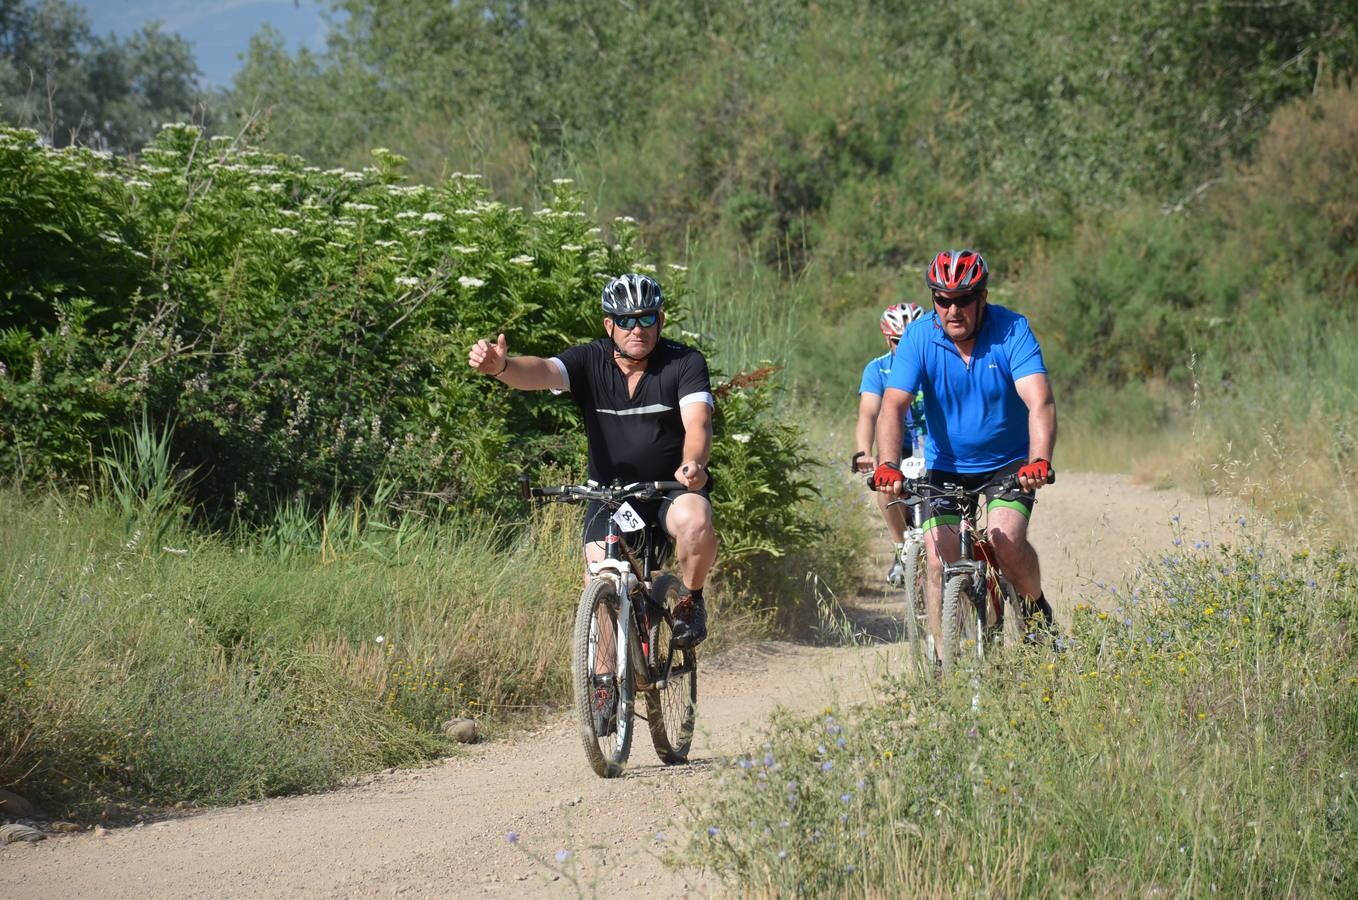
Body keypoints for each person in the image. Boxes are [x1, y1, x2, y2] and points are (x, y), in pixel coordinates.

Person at [466, 273, 717, 655]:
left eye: (647, 319)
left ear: (661, 321)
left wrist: (693, 464)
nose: (638, 329)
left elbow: (697, 423)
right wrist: (502, 367)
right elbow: (542, 371)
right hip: (610, 495)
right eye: (627, 320)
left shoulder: (684, 362)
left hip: (670, 489)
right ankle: (602, 687)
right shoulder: (589, 359)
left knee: (696, 521)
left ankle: (690, 601)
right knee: (599, 582)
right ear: (609, 325)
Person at [871, 249, 1058, 649]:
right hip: (944, 468)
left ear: (983, 296)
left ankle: (1038, 616)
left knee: (1004, 541)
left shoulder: (1012, 330)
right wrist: (888, 464)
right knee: (938, 560)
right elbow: (893, 405)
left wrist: (1039, 460)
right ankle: (944, 661)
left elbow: (1039, 401)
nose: (953, 310)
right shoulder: (920, 337)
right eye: (942, 300)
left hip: (1008, 464)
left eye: (964, 300)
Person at [852, 302, 927, 585]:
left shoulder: (934, 363)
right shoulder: (878, 369)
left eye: (910, 340)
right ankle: (900, 548)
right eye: (898, 341)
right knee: (885, 483)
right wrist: (863, 451)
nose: (904, 346)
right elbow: (868, 413)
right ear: (887, 338)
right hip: (897, 444)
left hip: (933, 444)